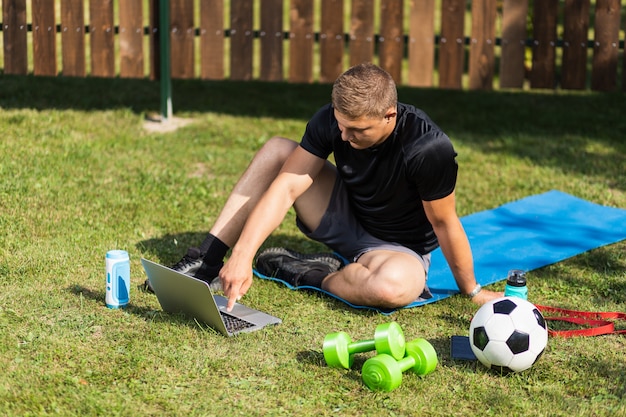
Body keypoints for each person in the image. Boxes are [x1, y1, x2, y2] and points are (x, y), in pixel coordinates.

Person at [165, 62, 503, 311]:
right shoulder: (332, 120)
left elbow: (445, 223)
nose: (344, 136)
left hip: (399, 247)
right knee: (277, 151)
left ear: (389, 115)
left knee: (393, 289)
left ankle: (313, 273)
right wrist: (241, 255)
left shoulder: (427, 149)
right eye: (341, 126)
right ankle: (204, 263)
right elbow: (285, 188)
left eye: (357, 130)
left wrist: (471, 290)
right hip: (343, 213)